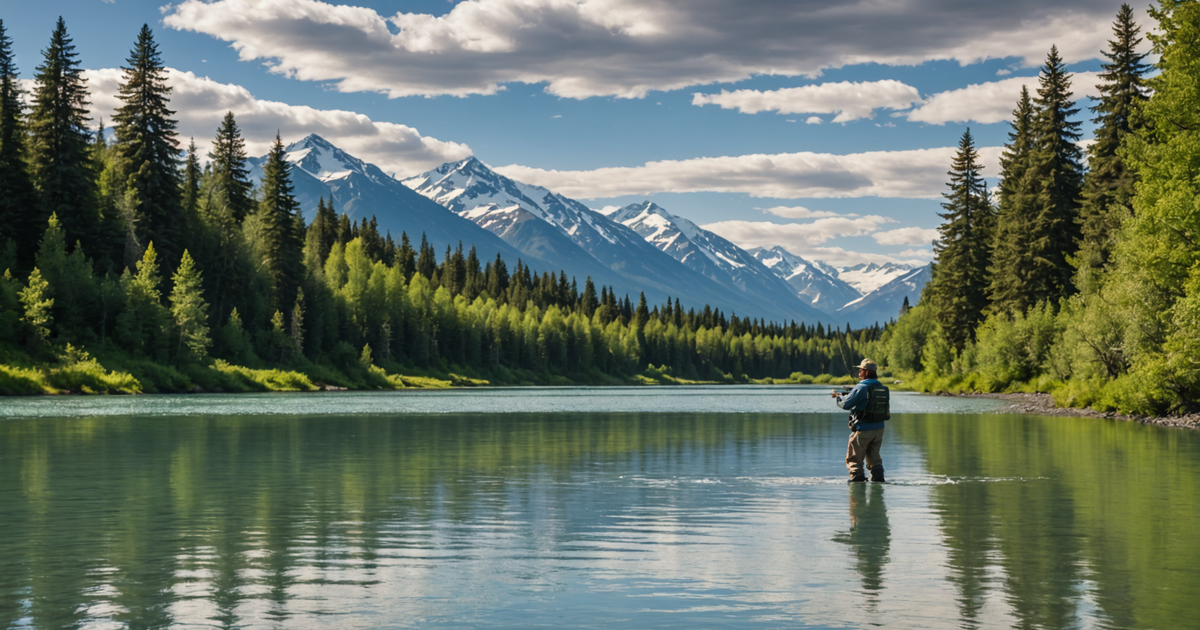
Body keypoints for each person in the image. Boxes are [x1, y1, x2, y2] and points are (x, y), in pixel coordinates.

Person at [831, 358, 890, 483]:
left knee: (854, 458)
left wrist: (839, 397)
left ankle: (857, 481)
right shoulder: (880, 386)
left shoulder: (861, 387)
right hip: (879, 429)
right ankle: (878, 479)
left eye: (861, 370)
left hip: (863, 429)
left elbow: (846, 405)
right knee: (874, 456)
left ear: (867, 372)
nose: (859, 373)